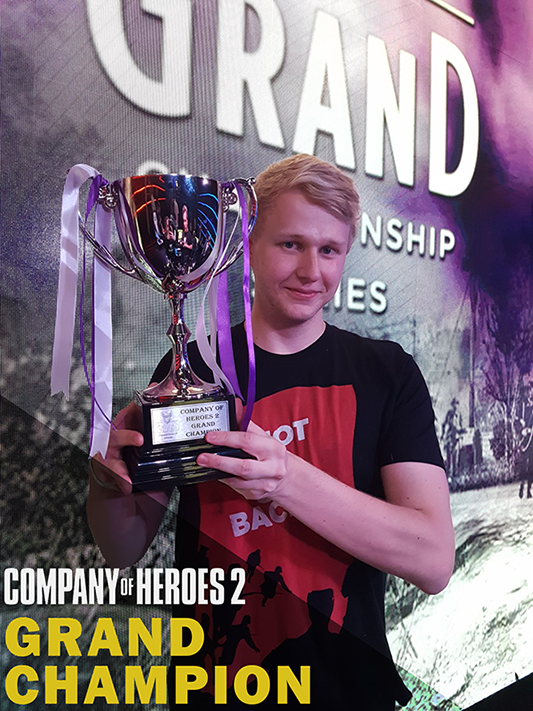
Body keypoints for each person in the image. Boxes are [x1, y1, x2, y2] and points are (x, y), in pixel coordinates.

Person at [88, 154, 455, 709]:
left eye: (329, 250)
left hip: (350, 693)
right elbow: (123, 545)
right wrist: (108, 485)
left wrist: (284, 479)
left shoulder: (387, 373)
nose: (311, 271)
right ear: (249, 244)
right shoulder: (193, 370)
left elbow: (432, 561)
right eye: (291, 244)